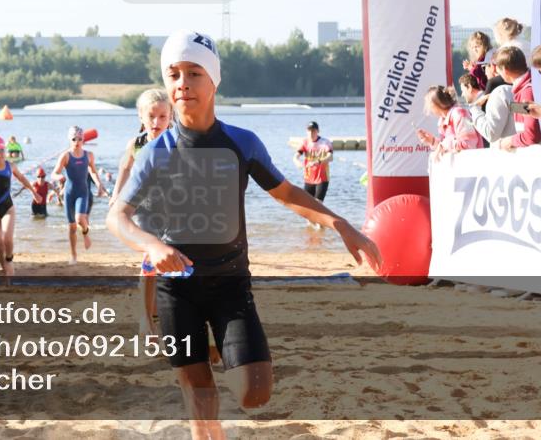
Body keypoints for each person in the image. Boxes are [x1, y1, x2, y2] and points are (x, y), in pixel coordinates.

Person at [106, 30, 381, 440]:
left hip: (230, 284)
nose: (183, 84)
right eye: (174, 74)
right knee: (199, 392)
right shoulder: (155, 153)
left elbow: (286, 193)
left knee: (254, 392)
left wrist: (341, 224)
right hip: (176, 289)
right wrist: (152, 245)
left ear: (214, 81)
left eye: (194, 73)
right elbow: (117, 217)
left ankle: (218, 350)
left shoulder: (241, 143)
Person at [111, 88, 174, 338]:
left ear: (171, 116)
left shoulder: (177, 142)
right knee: (150, 258)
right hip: (144, 209)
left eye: (162, 116)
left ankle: (158, 312)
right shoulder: (136, 144)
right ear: (141, 116)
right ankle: (145, 318)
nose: (156, 122)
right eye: (151, 116)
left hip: (172, 209)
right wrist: (116, 196)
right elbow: (125, 169)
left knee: (169, 261)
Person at [0, 135, 43, 276]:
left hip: (7, 207)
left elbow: (22, 178)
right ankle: (5, 270)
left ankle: (9, 259)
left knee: (7, 238)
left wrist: (34, 193)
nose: (0, 154)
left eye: (1, 150)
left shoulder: (10, 166)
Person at [52, 125, 105, 265]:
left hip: (82, 192)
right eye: (74, 139)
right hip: (69, 193)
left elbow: (93, 171)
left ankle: (86, 232)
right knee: (72, 227)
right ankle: (74, 255)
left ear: (83, 139)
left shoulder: (89, 155)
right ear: (70, 139)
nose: (77, 141)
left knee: (80, 218)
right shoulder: (66, 156)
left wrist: (99, 184)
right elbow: (54, 173)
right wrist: (59, 177)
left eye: (80, 139)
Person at [416, 85, 484, 161]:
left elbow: (468, 144)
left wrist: (443, 145)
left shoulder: (458, 114)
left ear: (435, 105)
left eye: (428, 104)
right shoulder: (442, 121)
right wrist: (432, 141)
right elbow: (447, 148)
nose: (428, 109)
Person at [493, 45, 541, 151]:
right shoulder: (525, 88)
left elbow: (531, 136)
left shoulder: (526, 92)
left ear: (505, 70)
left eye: (498, 70)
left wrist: (510, 141)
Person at [459, 60, 515, 145]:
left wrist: (475, 108)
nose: (484, 72)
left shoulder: (497, 93)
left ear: (493, 67)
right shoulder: (507, 91)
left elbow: (490, 133)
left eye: (484, 67)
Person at [292, 121, 333, 202]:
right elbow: (295, 156)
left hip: (322, 178)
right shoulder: (305, 142)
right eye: (309, 131)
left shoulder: (325, 142)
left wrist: (319, 161)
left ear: (318, 131)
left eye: (313, 131)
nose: (311, 133)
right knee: (307, 204)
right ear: (306, 132)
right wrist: (297, 162)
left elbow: (330, 157)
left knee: (318, 203)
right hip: (308, 179)